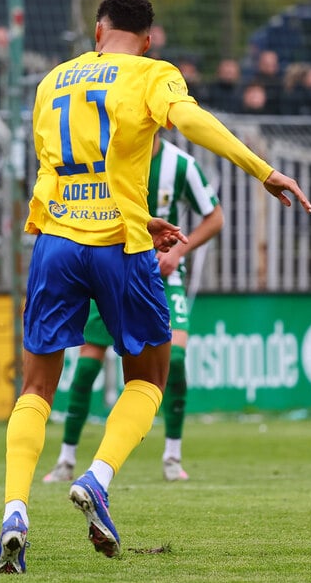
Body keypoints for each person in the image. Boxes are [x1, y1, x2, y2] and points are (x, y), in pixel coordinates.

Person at [0, 0, 311, 575]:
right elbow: (189, 120)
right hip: (119, 246)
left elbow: (52, 172)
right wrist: (263, 169)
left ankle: (15, 512)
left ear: (96, 30)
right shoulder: (151, 73)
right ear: (146, 39)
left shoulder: (51, 81)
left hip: (56, 244)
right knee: (149, 377)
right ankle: (97, 477)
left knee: (36, 387)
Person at [42, 131, 224, 485]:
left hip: (163, 278)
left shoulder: (180, 165)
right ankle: (66, 459)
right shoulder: (108, 159)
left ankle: (172, 454)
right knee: (85, 369)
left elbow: (215, 217)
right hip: (112, 273)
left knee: (175, 360)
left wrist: (178, 252)